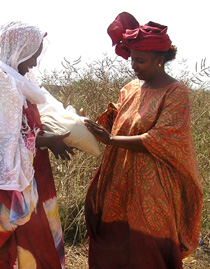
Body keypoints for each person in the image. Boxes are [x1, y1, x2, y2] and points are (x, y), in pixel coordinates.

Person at [84, 12, 203, 269]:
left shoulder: (175, 91)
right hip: (119, 180)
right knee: (115, 242)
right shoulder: (131, 88)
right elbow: (116, 119)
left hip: (154, 186)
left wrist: (111, 139)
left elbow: (162, 138)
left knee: (149, 247)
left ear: (160, 60)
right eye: (133, 60)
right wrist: (85, 125)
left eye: (141, 61)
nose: (134, 66)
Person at [0, 21, 74, 268]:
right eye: (31, 56)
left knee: (39, 237)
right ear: (16, 51)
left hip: (31, 170)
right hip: (4, 180)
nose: (34, 63)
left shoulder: (14, 76)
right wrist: (47, 141)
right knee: (9, 244)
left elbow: (27, 120)